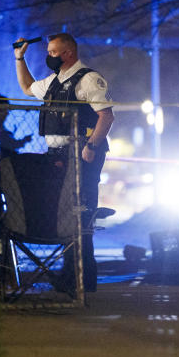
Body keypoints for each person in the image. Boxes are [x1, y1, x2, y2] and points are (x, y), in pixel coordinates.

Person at [14, 33, 114, 293]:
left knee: (80, 213)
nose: (49, 56)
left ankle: (81, 277)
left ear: (68, 53)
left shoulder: (88, 79)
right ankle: (71, 276)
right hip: (57, 155)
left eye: (53, 52)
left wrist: (91, 147)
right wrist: (19, 57)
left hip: (81, 154)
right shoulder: (55, 82)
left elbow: (106, 116)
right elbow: (27, 88)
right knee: (64, 213)